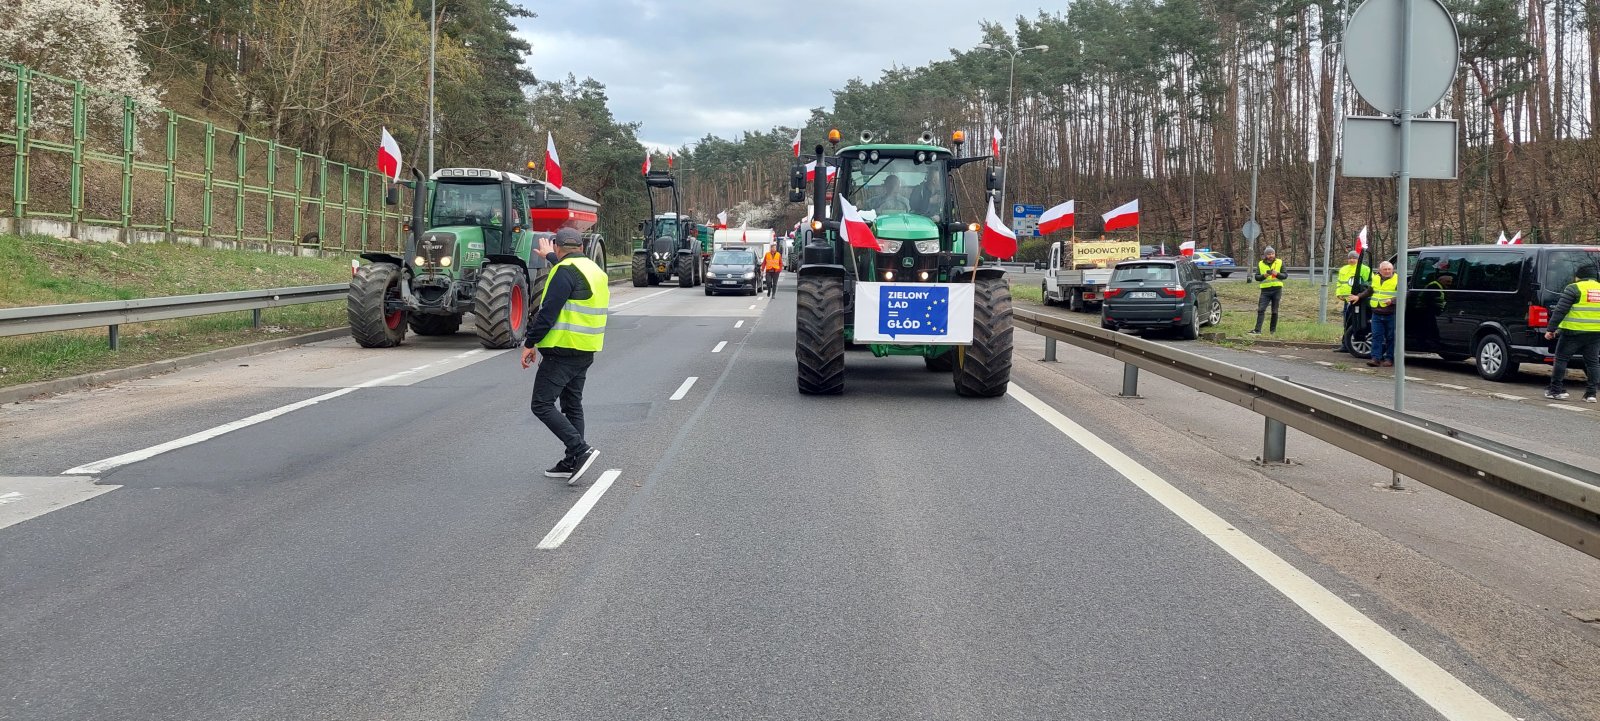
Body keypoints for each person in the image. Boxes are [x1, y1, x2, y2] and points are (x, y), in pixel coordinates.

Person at [520, 227, 609, 484]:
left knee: (541, 404)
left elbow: (548, 313)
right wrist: (551, 257)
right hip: (586, 348)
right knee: (571, 405)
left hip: (563, 350)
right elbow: (573, 275)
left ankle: (580, 449)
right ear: (581, 247)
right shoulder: (595, 271)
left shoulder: (562, 272)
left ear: (558, 247)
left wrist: (530, 343)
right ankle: (572, 460)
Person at [1543, 264, 1600, 402]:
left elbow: (1560, 310)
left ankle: (1556, 390)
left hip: (1572, 333)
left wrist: (1551, 329)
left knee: (1561, 359)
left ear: (1578, 276)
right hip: (1595, 333)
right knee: (1593, 363)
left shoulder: (1574, 288)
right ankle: (1591, 394)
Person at [1357, 260, 1399, 367]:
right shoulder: (1375, 278)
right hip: (1376, 313)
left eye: (1389, 269)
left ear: (1392, 270)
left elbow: (1405, 294)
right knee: (1376, 336)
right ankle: (1375, 358)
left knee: (1391, 337)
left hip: (1391, 313)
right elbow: (1370, 291)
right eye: (1385, 269)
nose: (1387, 271)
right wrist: (1358, 296)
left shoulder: (1397, 279)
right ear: (1380, 271)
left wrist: (1392, 301)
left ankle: (1389, 359)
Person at [1335, 251, 1372, 352]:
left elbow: (1369, 283)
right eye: (1350, 258)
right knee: (1346, 321)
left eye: (1354, 258)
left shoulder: (1365, 269)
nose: (1352, 260)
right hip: (1347, 299)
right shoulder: (1343, 269)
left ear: (1358, 259)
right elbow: (1340, 283)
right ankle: (1345, 344)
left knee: (1355, 321)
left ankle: (1353, 341)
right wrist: (1339, 293)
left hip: (1359, 299)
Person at [1250, 246, 1287, 335]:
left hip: (1277, 290)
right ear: (1265, 255)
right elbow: (1257, 277)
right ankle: (1257, 330)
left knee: (1274, 311)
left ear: (1274, 254)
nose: (1271, 255)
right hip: (1265, 291)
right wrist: (1264, 275)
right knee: (1261, 310)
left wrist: (1277, 274)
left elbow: (1285, 275)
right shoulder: (1260, 264)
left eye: (1272, 254)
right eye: (1269, 254)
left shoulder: (1280, 262)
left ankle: (1272, 331)